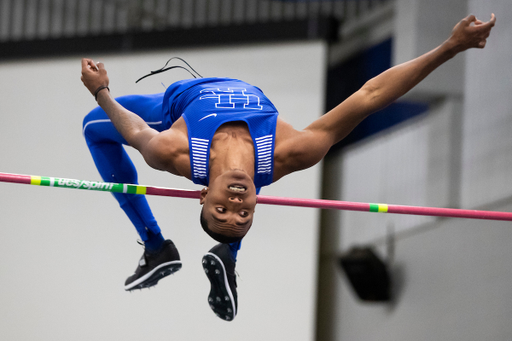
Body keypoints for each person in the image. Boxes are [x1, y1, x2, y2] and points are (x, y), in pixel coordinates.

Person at [81, 14, 495, 321]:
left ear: (203, 194)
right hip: (220, 103)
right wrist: (449, 48)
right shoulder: (290, 152)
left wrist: (101, 90)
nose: (236, 203)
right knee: (227, 230)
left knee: (93, 127)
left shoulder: (178, 152)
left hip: (176, 104)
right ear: (258, 201)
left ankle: (155, 246)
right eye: (244, 214)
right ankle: (223, 252)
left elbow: (133, 129)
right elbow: (370, 96)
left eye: (222, 209)